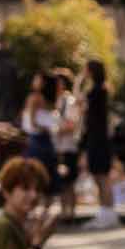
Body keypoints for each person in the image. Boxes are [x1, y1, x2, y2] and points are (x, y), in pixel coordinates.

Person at [79, 59, 120, 230]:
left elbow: (79, 104)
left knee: (102, 177)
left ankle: (107, 215)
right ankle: (106, 214)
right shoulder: (101, 90)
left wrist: (78, 82)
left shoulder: (96, 91)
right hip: (99, 138)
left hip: (97, 139)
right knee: (100, 177)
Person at [49, 70, 82, 221]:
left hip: (67, 147)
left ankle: (71, 213)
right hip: (58, 147)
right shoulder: (55, 101)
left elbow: (71, 124)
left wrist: (55, 130)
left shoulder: (68, 101)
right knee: (61, 182)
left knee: (69, 183)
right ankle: (64, 211)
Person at [21, 71, 59, 181]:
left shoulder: (34, 98)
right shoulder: (50, 100)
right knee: (47, 180)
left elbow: (32, 124)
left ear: (42, 83)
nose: (34, 81)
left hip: (36, 142)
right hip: (47, 143)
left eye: (36, 79)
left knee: (34, 179)